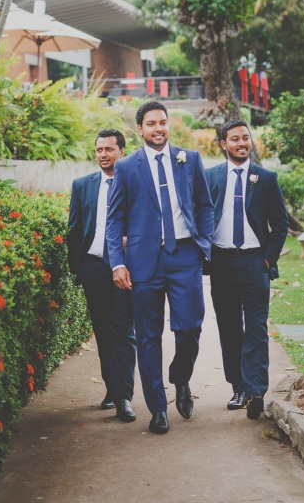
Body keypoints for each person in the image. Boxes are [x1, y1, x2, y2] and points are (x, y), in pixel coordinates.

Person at [105, 100, 214, 435]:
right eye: (151, 124)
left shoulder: (189, 159)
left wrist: (203, 244)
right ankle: (157, 408)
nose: (158, 128)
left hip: (184, 257)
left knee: (190, 327)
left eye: (162, 122)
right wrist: (117, 262)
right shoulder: (127, 167)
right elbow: (115, 219)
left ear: (168, 125)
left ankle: (181, 377)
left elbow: (204, 205)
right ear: (140, 129)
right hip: (143, 262)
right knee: (149, 336)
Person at [205, 119, 289, 420]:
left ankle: (256, 391)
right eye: (234, 139)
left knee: (256, 328)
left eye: (245, 138)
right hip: (222, 263)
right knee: (229, 328)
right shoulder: (210, 177)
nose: (241, 143)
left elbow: (281, 223)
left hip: (255, 263)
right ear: (223, 144)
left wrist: (267, 259)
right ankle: (238, 388)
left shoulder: (265, 178)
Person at [67, 128, 137, 423]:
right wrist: (78, 267)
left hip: (125, 269)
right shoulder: (82, 185)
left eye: (109, 149)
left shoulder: (135, 183)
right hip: (93, 268)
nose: (103, 154)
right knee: (104, 333)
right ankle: (112, 388)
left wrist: (132, 241)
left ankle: (124, 398)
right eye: (99, 150)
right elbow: (74, 229)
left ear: (122, 151)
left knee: (123, 332)